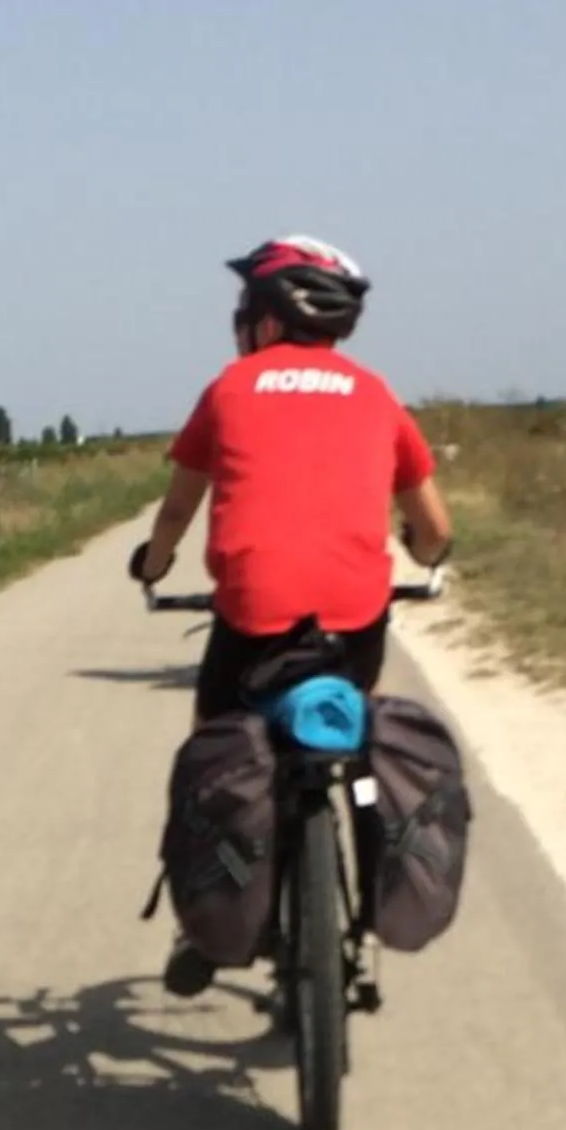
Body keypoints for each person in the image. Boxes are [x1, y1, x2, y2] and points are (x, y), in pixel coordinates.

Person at [130, 233, 453, 994]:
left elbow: (178, 508)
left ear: (266, 319)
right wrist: (427, 556)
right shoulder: (377, 394)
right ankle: (372, 870)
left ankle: (208, 918)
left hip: (252, 619)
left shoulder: (230, 389)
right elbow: (433, 531)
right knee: (356, 730)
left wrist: (154, 563)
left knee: (217, 744)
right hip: (354, 622)